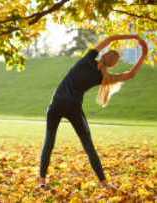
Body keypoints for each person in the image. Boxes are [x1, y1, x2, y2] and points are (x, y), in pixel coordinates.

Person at [37, 34, 148, 190]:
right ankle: (104, 183)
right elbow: (130, 75)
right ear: (112, 64)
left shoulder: (88, 59)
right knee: (88, 146)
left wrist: (132, 37)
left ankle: (42, 181)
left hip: (57, 104)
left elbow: (110, 40)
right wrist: (143, 54)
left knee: (49, 143)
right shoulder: (103, 77)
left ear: (104, 55)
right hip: (72, 108)